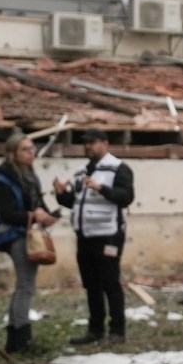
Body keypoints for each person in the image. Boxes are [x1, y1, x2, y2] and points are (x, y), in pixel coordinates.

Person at [55, 130, 136, 345]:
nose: (88, 147)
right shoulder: (81, 171)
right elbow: (77, 202)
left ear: (105, 143)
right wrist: (62, 195)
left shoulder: (119, 168)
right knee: (91, 285)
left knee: (110, 283)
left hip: (108, 235)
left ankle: (117, 331)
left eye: (92, 142)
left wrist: (102, 188)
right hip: (85, 235)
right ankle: (95, 329)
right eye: (85, 143)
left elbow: (126, 197)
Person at [0, 133, 56, 355]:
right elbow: (7, 214)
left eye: (33, 149)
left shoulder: (31, 177)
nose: (31, 153)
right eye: (25, 149)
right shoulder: (3, 180)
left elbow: (39, 206)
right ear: (12, 154)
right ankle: (20, 338)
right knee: (25, 286)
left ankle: (17, 338)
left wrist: (47, 215)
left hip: (27, 234)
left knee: (25, 285)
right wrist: (34, 216)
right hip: (14, 235)